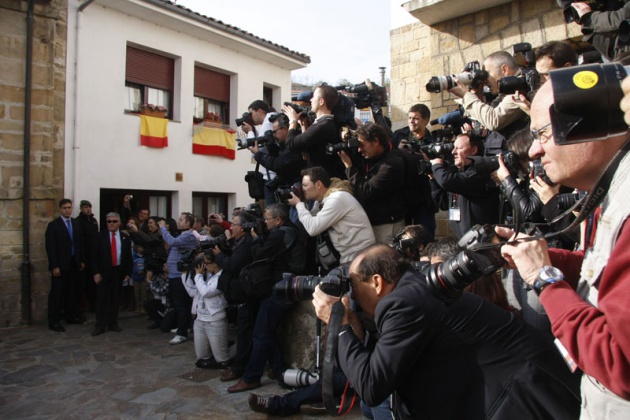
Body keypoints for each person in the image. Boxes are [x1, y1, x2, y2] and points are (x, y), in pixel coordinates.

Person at [313, 245, 581, 419]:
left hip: (518, 402)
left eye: (353, 285)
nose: (353, 295)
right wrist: (353, 330)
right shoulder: (413, 291)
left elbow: (372, 386)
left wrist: (340, 324)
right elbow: (390, 359)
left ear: (377, 282)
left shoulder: (404, 301)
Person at [498, 70, 630, 417]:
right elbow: (607, 277)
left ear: (591, 123)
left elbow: (621, 362)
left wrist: (546, 281)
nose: (535, 149)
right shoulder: (615, 191)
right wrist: (541, 258)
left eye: (542, 132)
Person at [227, 203, 306, 393]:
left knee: (260, 333)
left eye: (267, 219)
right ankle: (280, 371)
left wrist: (256, 239)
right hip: (286, 285)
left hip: (280, 288)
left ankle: (251, 377)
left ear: (278, 220)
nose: (264, 222)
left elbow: (259, 254)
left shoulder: (280, 234)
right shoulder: (291, 230)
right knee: (267, 331)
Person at [287, 166, 375, 265]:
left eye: (305, 185)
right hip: (352, 255)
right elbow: (310, 221)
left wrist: (299, 204)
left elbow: (313, 228)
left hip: (360, 257)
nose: (302, 189)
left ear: (319, 184)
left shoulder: (336, 199)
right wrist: (301, 202)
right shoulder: (322, 201)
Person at [339, 122, 407, 245]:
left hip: (387, 226)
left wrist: (349, 167)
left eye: (362, 145)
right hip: (373, 222)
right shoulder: (372, 156)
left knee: (388, 262)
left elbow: (366, 191)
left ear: (375, 141)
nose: (359, 149)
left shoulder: (392, 163)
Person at [430, 133, 501, 238]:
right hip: (463, 239)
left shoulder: (479, 171)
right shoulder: (460, 174)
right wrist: (434, 180)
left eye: (459, 148)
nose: (453, 152)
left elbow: (446, 181)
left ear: (474, 150)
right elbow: (444, 203)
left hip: (482, 240)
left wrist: (437, 166)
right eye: (453, 148)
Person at [215, 211, 255, 383]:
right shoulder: (238, 242)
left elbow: (233, 265)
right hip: (238, 297)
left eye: (234, 224)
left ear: (244, 227)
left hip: (245, 297)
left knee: (245, 335)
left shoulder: (246, 244)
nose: (231, 227)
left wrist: (219, 255)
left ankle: (240, 368)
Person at [449, 51, 529, 134]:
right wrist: (475, 93)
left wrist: (466, 95)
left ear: (504, 70)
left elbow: (493, 120)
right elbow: (484, 118)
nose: (484, 80)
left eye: (486, 74)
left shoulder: (520, 87)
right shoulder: (505, 92)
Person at [283, 85, 344, 179]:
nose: (311, 100)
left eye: (314, 96)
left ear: (321, 101)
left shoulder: (322, 126)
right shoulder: (326, 123)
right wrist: (303, 124)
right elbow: (306, 147)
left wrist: (292, 121)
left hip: (321, 182)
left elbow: (291, 143)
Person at [183, 250, 230, 370]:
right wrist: (185, 274)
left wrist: (198, 275)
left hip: (215, 320)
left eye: (207, 263)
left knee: (222, 360)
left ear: (216, 264)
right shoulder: (207, 275)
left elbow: (206, 292)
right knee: (202, 358)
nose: (205, 266)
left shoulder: (223, 276)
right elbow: (193, 291)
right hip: (200, 320)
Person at [45, 198, 85, 332]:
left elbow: (79, 243)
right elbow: (51, 247)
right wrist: (54, 266)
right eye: (65, 208)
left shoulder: (76, 223)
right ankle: (54, 321)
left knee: (71, 292)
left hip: (74, 263)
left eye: (69, 207)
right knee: (57, 294)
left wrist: (80, 261)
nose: (67, 210)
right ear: (60, 209)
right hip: (60, 265)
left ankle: (71, 316)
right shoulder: (54, 226)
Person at [158, 212, 198, 345]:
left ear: (188, 223)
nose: (178, 221)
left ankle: (182, 333)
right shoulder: (184, 235)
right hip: (174, 274)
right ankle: (184, 327)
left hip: (180, 276)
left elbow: (173, 242)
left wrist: (163, 228)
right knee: (179, 304)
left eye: (181, 220)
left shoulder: (188, 235)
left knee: (181, 305)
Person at [90, 212, 133, 336]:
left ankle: (113, 323)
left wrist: (128, 273)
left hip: (117, 272)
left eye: (114, 221)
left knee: (115, 298)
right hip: (103, 272)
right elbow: (93, 256)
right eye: (109, 221)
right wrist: (96, 272)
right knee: (101, 299)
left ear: (119, 223)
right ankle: (100, 325)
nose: (112, 224)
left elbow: (128, 257)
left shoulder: (125, 237)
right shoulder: (99, 236)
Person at [249, 113, 305, 190]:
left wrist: (258, 154)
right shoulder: (286, 144)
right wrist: (271, 145)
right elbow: (278, 157)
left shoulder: (294, 144)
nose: (274, 135)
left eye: (275, 132)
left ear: (285, 130)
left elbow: (277, 164)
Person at [242, 100, 278, 205]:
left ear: (259, 111)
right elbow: (261, 141)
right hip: (272, 173)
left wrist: (250, 131)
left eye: (250, 113)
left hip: (271, 176)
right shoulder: (270, 119)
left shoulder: (268, 122)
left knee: (271, 211)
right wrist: (251, 130)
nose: (250, 117)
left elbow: (256, 151)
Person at [76, 199, 98, 313]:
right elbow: (78, 242)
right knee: (80, 285)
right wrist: (80, 259)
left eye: (89, 207)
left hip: (93, 257)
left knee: (92, 284)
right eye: (85, 207)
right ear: (81, 208)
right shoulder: (78, 222)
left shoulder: (94, 221)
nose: (88, 209)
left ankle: (93, 306)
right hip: (83, 257)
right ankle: (80, 308)